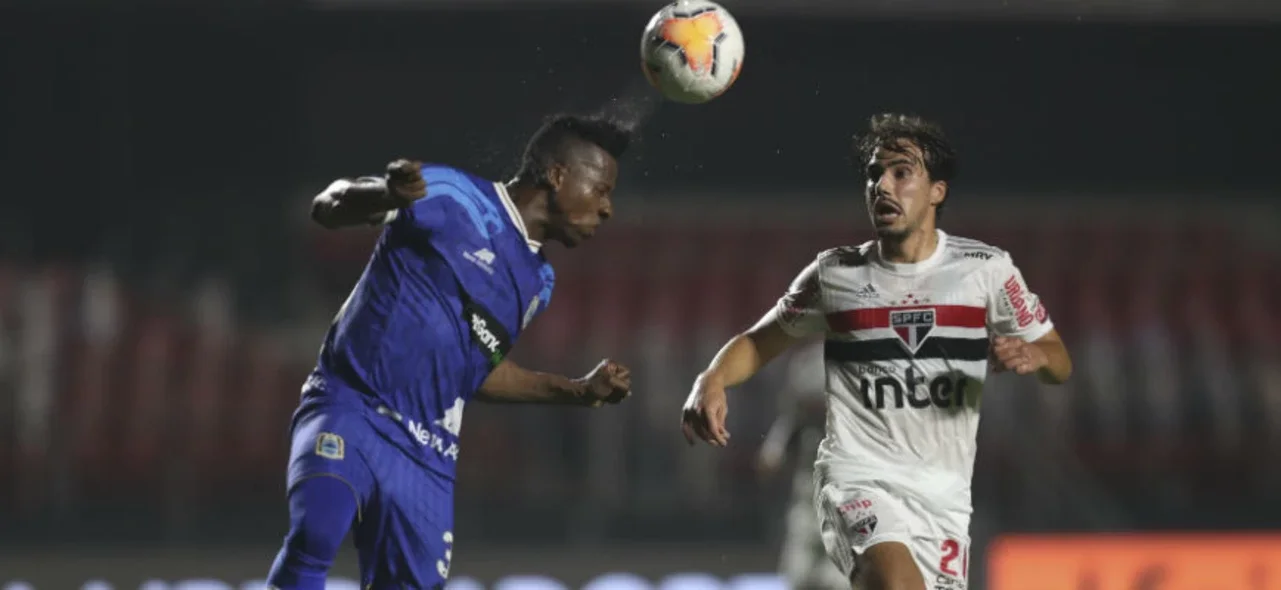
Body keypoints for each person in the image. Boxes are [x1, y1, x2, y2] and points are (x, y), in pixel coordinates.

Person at [680, 113, 1072, 590]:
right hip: (856, 478)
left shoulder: (985, 272)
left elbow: (1058, 360)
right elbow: (760, 341)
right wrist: (712, 378)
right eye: (873, 174)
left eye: (901, 172)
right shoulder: (836, 274)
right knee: (893, 583)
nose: (882, 185)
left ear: (937, 191)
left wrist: (1036, 358)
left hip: (942, 499)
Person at [267, 114, 636, 589]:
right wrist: (386, 195)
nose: (607, 208)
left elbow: (473, 371)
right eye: (601, 189)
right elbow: (328, 205)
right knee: (315, 533)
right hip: (354, 405)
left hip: (427, 455)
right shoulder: (453, 194)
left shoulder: (538, 282)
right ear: (558, 174)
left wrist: (578, 391)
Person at [755, 341, 848, 590]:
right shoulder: (805, 361)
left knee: (838, 579)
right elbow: (791, 419)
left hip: (849, 494)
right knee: (799, 574)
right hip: (808, 495)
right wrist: (775, 451)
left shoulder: (866, 358)